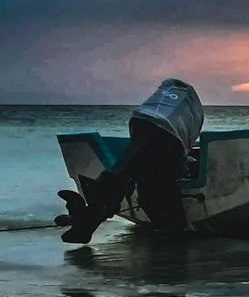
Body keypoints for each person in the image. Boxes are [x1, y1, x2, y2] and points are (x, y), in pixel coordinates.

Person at [56, 78, 205, 244]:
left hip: (145, 123)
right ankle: (89, 217)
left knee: (127, 171)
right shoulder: (182, 109)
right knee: (131, 174)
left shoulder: (162, 109)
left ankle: (89, 215)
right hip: (163, 133)